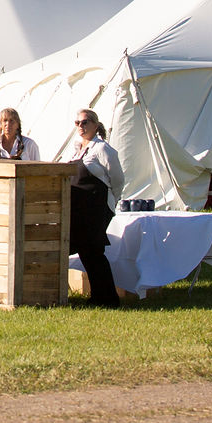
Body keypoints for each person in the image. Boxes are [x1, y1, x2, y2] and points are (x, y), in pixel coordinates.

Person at [67, 108, 122, 307]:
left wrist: (111, 202)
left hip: (96, 209)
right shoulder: (76, 149)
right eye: (77, 123)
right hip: (78, 210)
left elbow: (117, 179)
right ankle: (98, 296)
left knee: (94, 252)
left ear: (95, 126)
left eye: (85, 122)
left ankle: (108, 298)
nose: (80, 126)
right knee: (86, 252)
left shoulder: (102, 149)